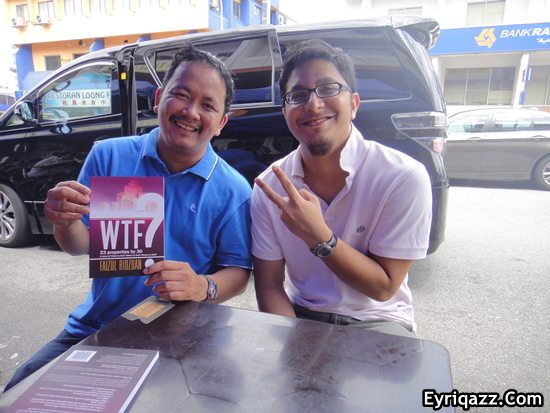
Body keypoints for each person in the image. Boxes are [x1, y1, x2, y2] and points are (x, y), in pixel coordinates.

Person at [4, 44, 252, 391]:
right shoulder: (109, 156)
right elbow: (80, 245)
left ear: (221, 122)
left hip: (182, 340)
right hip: (97, 329)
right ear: (159, 99)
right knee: (19, 392)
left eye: (208, 105)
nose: (191, 112)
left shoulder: (233, 190)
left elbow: (238, 270)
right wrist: (64, 220)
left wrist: (203, 286)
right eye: (181, 95)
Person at [251, 39, 432, 337]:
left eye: (328, 88)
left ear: (354, 104)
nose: (313, 104)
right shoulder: (268, 186)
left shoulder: (402, 176)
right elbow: (269, 285)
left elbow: (384, 287)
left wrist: (319, 237)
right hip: (301, 317)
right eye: (298, 95)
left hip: (378, 320)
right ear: (285, 112)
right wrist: (290, 342)